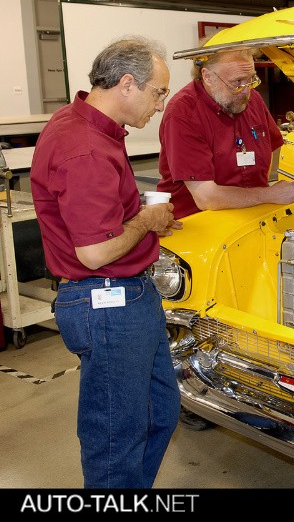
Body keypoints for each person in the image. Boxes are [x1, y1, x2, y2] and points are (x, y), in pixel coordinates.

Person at [30, 36, 183, 488]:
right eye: (159, 92)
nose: (161, 104)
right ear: (128, 83)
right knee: (117, 434)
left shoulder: (87, 126)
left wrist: (139, 220)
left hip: (126, 297)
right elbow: (95, 252)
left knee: (158, 412)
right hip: (106, 302)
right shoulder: (86, 149)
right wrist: (146, 221)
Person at [156, 47, 294, 219]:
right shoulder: (183, 113)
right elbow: (206, 198)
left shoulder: (252, 99)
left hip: (249, 217)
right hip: (197, 224)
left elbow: (273, 147)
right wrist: (268, 195)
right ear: (208, 77)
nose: (246, 91)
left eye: (251, 80)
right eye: (237, 82)